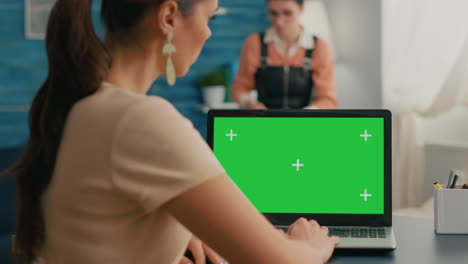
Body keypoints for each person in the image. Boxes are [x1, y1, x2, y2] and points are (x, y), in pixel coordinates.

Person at [4, 0, 339, 263]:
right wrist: (309, 245)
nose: (208, 33)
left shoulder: (88, 106)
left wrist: (173, 236)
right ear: (168, 17)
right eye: (209, 17)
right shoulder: (141, 120)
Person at [231, 0, 337, 110]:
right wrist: (249, 103)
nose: (279, 21)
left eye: (287, 13)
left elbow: (328, 99)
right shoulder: (254, 43)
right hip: (264, 121)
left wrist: (306, 114)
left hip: (304, 123)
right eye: (273, 13)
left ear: (301, 9)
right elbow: (239, 88)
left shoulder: (319, 47)